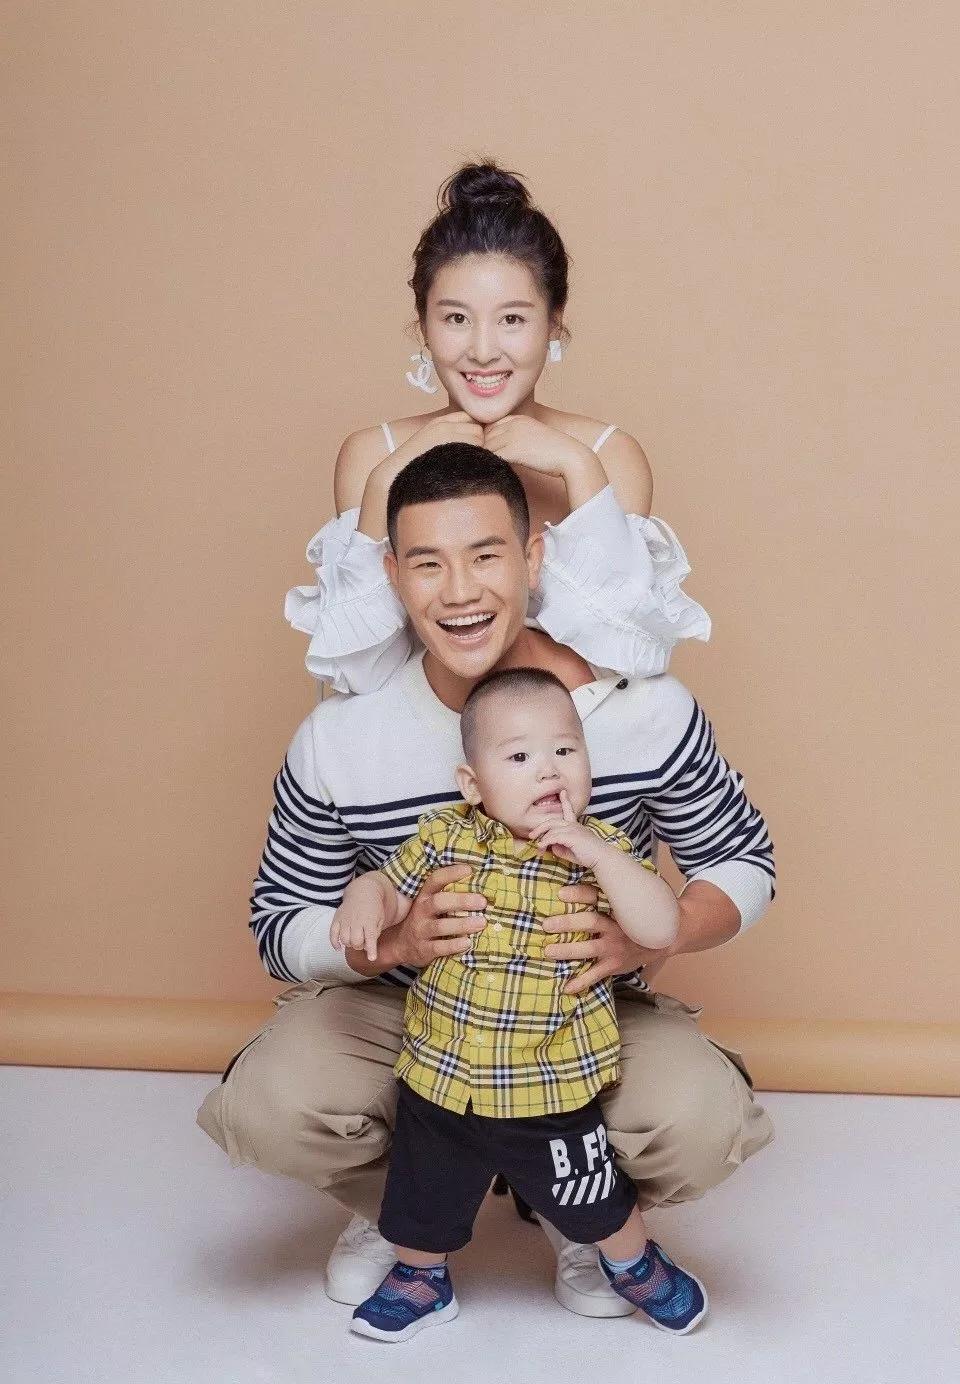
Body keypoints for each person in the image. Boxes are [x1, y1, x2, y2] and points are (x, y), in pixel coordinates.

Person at [196, 445, 775, 1323]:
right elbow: (280, 920)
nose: (459, 591)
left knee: (699, 1120)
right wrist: (393, 940)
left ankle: (580, 1210)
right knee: (272, 1104)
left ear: (533, 558)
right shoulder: (341, 737)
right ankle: (404, 1214)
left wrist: (650, 936)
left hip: (577, 1011)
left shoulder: (642, 709)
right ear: (394, 576)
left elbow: (741, 862)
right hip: (413, 1016)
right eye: (428, 563)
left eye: (486, 555)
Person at [331, 666, 709, 1341]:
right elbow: (390, 885)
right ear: (472, 783)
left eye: (565, 750)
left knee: (593, 1193)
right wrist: (365, 897)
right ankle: (421, 1277)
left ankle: (632, 1263)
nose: (548, 770)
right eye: (519, 757)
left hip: (550, 1079)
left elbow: (659, 929)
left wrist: (601, 859)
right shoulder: (445, 837)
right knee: (425, 1189)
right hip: (445, 1073)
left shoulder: (605, 850)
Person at [284, 160, 710, 695]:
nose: (483, 351)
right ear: (423, 327)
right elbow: (358, 670)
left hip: (576, 734)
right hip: (418, 731)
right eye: (456, 319)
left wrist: (577, 466)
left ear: (553, 322)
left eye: (512, 319)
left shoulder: (607, 454)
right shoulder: (373, 454)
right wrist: (389, 477)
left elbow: (624, 649)